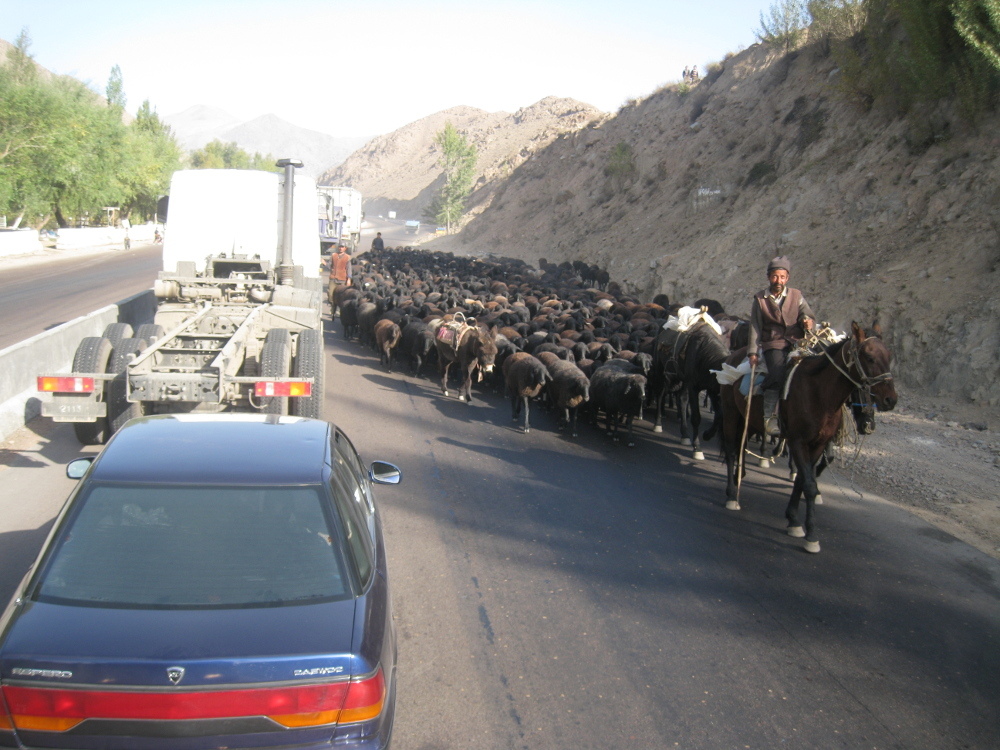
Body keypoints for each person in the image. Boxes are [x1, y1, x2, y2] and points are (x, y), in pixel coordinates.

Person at [746, 256, 815, 436]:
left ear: (788, 278)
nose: (779, 281)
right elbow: (755, 326)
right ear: (769, 277)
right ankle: (769, 417)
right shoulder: (760, 299)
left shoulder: (796, 295)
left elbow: (806, 314)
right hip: (773, 343)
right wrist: (753, 352)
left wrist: (807, 321)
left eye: (782, 277)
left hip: (797, 341)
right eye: (775, 277)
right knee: (777, 374)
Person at [327, 243, 353, 310]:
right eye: (340, 247)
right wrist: (324, 263)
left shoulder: (347, 257)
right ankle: (333, 306)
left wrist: (349, 279)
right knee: (330, 294)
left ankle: (339, 309)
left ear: (345, 248)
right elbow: (329, 265)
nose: (341, 248)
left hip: (342, 279)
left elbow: (349, 268)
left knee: (342, 296)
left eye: (342, 247)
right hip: (333, 278)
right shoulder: (333, 255)